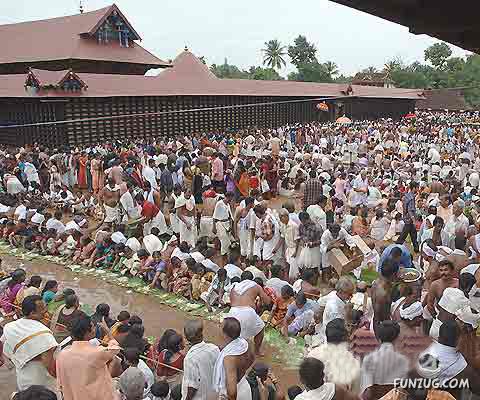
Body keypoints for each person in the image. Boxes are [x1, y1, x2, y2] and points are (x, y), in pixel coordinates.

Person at [1, 295, 58, 393]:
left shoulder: (11, 326)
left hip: (22, 375)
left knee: (23, 393)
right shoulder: (44, 333)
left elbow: (2, 343)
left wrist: (7, 359)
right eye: (43, 308)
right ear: (32, 313)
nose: (46, 310)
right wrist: (59, 378)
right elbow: (48, 363)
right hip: (39, 378)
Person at [56, 315, 121, 400]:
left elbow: (60, 384)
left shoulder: (61, 355)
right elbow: (116, 348)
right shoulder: (97, 352)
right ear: (87, 332)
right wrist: (107, 331)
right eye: (93, 327)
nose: (94, 330)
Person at [360, 321, 409, 399]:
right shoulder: (404, 359)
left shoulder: (369, 358)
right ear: (397, 337)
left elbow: (367, 389)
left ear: (379, 339)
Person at [227, 271, 272, 355]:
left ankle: (232, 349)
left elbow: (231, 301)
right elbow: (267, 301)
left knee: (233, 332)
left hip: (232, 312)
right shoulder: (255, 285)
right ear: (251, 279)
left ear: (241, 279)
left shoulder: (234, 287)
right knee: (261, 328)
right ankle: (257, 350)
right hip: (247, 311)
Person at [213, 317, 255, 400]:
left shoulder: (229, 359)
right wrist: (241, 371)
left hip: (235, 395)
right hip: (244, 385)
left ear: (225, 335)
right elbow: (252, 359)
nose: (218, 327)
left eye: (220, 326)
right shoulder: (246, 343)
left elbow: (232, 392)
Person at [182, 320, 220, 400]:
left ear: (186, 338)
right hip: (214, 393)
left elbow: (192, 386)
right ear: (201, 335)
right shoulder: (214, 348)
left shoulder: (190, 358)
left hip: (200, 396)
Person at [397, 181, 419, 253]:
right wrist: (414, 220)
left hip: (406, 218)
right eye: (417, 187)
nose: (418, 189)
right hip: (409, 219)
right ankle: (396, 246)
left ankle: (416, 248)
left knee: (413, 234)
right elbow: (410, 210)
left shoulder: (407, 195)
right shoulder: (411, 197)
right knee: (404, 235)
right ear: (414, 188)